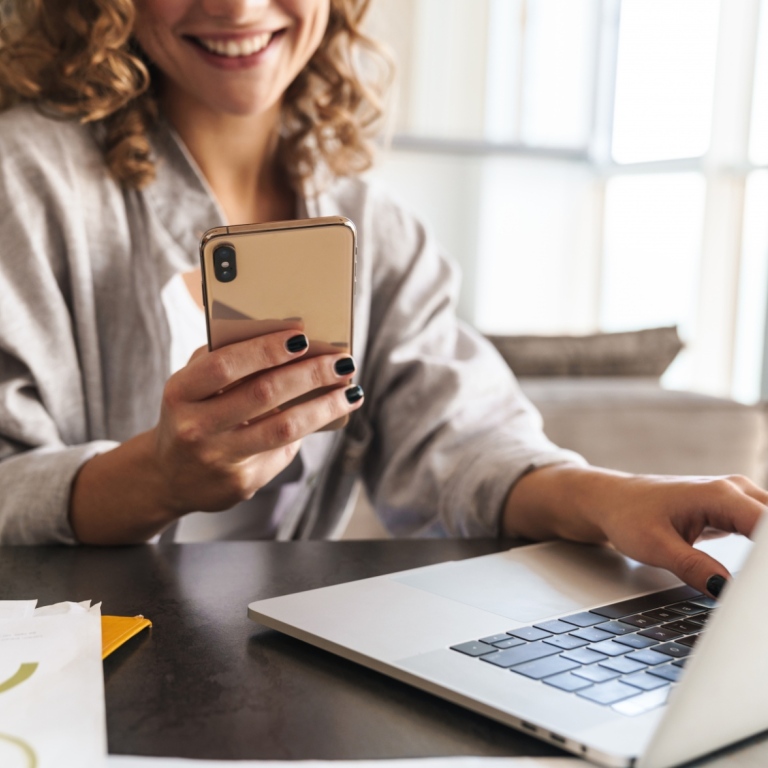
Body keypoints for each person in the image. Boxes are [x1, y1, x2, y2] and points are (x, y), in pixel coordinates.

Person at [0, 0, 765, 600]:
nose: (236, 8)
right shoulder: (24, 181)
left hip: (271, 666)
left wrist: (615, 496)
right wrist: (156, 478)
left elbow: (464, 445)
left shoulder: (375, 228)